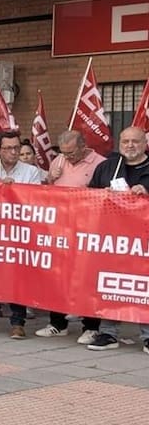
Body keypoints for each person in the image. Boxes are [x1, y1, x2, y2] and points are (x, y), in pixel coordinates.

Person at [0, 130, 42, 339]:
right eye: (8, 148)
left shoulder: (31, 171)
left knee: (17, 275)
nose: (13, 152)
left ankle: (17, 322)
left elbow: (36, 198)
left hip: (18, 231)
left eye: (16, 148)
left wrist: (15, 189)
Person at [86, 126, 149, 354]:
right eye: (125, 141)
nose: (130, 145)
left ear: (145, 144)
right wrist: (102, 195)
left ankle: (147, 335)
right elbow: (88, 198)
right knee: (110, 284)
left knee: (144, 286)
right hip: (112, 240)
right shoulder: (107, 167)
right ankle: (108, 333)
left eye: (135, 141)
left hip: (144, 241)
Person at [37, 130, 105, 342]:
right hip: (60, 228)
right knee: (57, 276)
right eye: (64, 152)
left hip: (87, 229)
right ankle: (57, 323)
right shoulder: (58, 161)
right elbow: (47, 193)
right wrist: (51, 178)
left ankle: (91, 326)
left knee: (87, 277)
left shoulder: (100, 163)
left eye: (71, 152)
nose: (67, 157)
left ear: (83, 146)